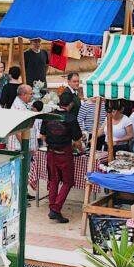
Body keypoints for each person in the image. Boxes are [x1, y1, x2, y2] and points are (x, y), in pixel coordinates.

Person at [39, 92, 83, 224]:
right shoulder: (70, 118)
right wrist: (81, 150)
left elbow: (42, 136)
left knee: (53, 180)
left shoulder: (49, 116)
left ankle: (52, 207)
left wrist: (52, 141)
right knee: (68, 182)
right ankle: (56, 209)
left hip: (51, 152)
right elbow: (77, 141)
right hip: (64, 152)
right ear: (70, 104)